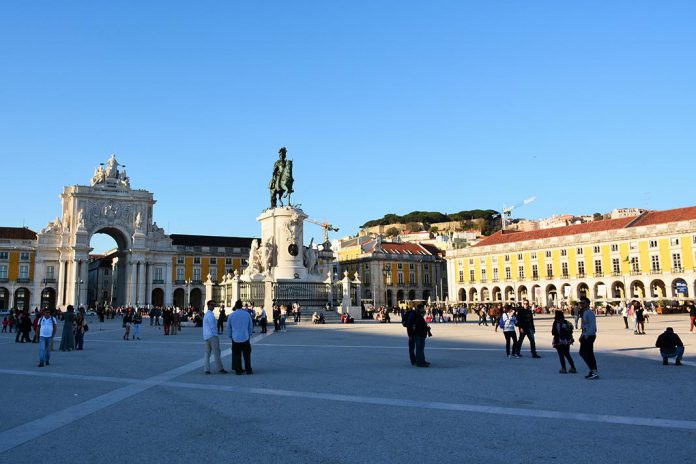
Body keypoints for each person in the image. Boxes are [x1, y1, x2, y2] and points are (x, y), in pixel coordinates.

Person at [227, 300, 253, 375]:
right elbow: (250, 325)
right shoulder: (246, 314)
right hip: (245, 337)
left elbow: (229, 327)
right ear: (242, 306)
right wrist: (250, 333)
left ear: (235, 306)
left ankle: (238, 370)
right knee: (247, 355)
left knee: (237, 355)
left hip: (235, 338)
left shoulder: (231, 315)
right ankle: (248, 370)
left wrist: (230, 335)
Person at [203, 300, 227, 375]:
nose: (213, 307)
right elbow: (212, 326)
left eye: (214, 305)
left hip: (206, 336)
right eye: (212, 305)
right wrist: (215, 334)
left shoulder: (206, 314)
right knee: (217, 352)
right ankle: (220, 368)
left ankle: (206, 369)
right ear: (208, 306)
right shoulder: (210, 315)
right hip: (212, 336)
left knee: (207, 353)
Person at [578, 297, 599, 379]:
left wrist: (586, 335)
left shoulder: (589, 313)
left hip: (589, 336)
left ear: (587, 304)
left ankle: (594, 371)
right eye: (580, 303)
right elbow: (584, 326)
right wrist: (582, 335)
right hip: (586, 335)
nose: (581, 305)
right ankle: (593, 370)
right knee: (584, 353)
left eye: (583, 303)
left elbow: (593, 326)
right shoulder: (584, 312)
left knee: (587, 353)